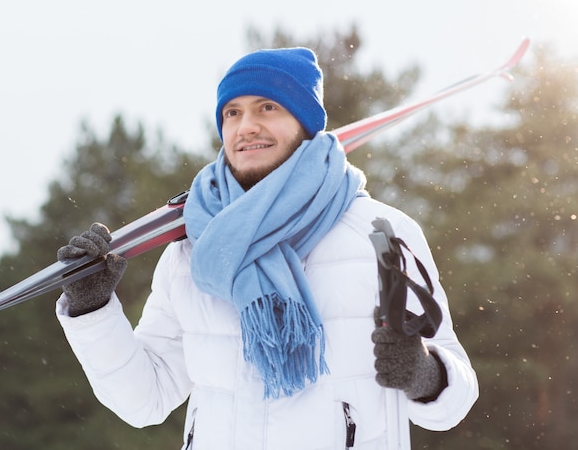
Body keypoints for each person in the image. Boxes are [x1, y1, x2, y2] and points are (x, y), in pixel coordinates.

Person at [55, 47, 478, 449]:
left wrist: (425, 374)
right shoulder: (194, 249)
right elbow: (145, 399)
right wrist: (94, 311)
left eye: (267, 107)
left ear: (305, 122)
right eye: (232, 113)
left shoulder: (381, 234)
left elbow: (454, 403)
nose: (246, 127)